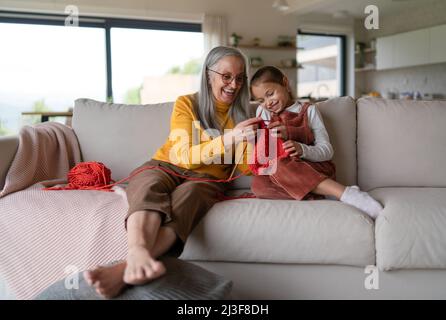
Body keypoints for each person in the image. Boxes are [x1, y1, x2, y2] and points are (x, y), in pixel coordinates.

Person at [83, 46, 262, 298]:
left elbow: (245, 167)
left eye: (240, 77)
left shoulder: (243, 115)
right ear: (209, 75)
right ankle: (136, 253)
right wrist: (231, 137)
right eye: (227, 76)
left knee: (190, 196)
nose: (234, 84)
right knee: (147, 183)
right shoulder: (187, 104)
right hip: (166, 165)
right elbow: (183, 156)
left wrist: (260, 144)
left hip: (208, 179)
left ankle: (125, 268)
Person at [249, 66, 383, 218]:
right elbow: (266, 155)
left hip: (313, 168)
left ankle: (346, 193)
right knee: (258, 186)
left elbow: (326, 151)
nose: (268, 103)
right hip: (284, 173)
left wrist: (301, 148)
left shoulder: (308, 111)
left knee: (280, 166)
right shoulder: (263, 112)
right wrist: (253, 139)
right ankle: (324, 192)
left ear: (285, 83)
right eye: (261, 100)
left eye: (270, 94)